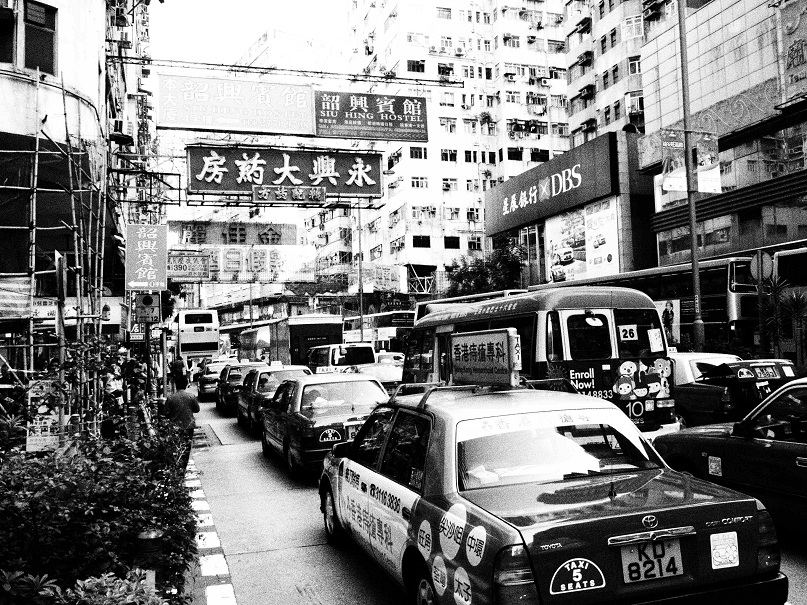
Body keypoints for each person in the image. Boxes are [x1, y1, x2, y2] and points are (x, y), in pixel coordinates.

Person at [162, 386, 200, 469]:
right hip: (189, 425)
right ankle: (184, 466)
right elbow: (197, 409)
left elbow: (165, 412)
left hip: (175, 426)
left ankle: (177, 466)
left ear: (175, 384)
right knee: (187, 447)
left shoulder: (171, 398)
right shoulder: (191, 396)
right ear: (186, 385)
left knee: (176, 447)